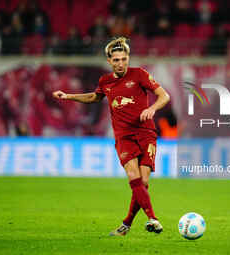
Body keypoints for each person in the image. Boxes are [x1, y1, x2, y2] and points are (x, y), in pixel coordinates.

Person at [52, 37, 170, 236]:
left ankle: (125, 225)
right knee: (134, 177)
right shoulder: (105, 81)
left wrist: (152, 109)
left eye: (124, 59)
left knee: (144, 182)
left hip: (145, 133)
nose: (121, 63)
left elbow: (164, 96)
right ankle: (153, 218)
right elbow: (93, 97)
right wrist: (69, 96)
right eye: (116, 60)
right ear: (109, 61)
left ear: (128, 58)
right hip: (123, 136)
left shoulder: (139, 74)